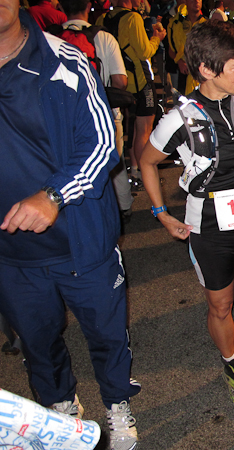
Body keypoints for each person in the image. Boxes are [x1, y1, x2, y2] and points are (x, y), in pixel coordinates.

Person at [0, 4, 140, 450]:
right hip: (11, 254)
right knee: (37, 343)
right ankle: (60, 407)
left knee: (107, 334)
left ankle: (117, 401)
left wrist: (54, 195)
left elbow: (102, 142)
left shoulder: (64, 58)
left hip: (82, 239)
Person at [139, 21, 234, 406]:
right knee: (220, 306)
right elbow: (147, 161)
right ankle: (231, 363)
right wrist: (161, 213)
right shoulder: (179, 118)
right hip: (207, 223)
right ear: (206, 69)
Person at [60, 0, 135, 223]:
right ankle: (123, 207)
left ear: (62, 8)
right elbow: (120, 81)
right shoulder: (104, 37)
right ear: (88, 7)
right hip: (104, 113)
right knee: (114, 161)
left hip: (67, 115)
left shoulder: (50, 37)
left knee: (75, 161)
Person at [97, 0, 167, 188]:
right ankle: (145, 175)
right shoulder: (133, 18)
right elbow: (145, 52)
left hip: (117, 82)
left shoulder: (103, 18)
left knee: (131, 128)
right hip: (140, 81)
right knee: (144, 130)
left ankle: (135, 171)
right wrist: (157, 38)